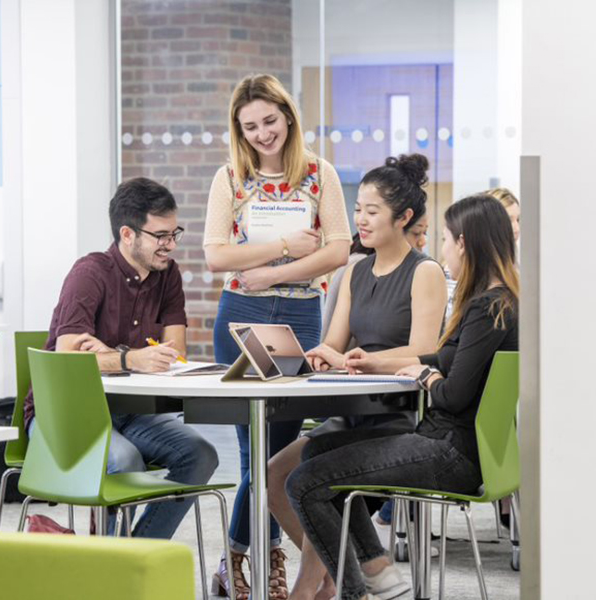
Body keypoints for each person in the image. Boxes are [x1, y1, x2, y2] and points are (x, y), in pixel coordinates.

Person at [286, 194, 520, 600]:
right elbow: (447, 358)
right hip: (457, 446)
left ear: (464, 243)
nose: (441, 247)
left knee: (305, 483)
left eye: (445, 238)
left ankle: (359, 589)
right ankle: (376, 572)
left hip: (449, 452)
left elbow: (453, 394)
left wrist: (426, 375)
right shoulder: (500, 303)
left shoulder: (487, 308)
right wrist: (372, 362)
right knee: (316, 453)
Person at [268, 154, 446, 600]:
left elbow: (427, 351)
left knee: (311, 475)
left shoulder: (425, 272)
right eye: (358, 209)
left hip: (397, 418)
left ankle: (313, 587)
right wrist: (328, 356)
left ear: (403, 217)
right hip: (351, 413)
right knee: (275, 474)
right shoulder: (354, 270)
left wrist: (372, 361)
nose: (360, 220)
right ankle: (335, 576)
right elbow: (338, 343)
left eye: (371, 211)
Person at [203, 73, 352, 599]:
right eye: (250, 126)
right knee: (251, 453)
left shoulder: (319, 174)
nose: (263, 133)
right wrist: (283, 248)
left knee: (278, 455)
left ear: (287, 116)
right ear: (238, 131)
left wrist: (273, 273)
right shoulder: (231, 177)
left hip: (300, 317)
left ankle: (239, 560)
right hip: (241, 314)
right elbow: (217, 255)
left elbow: (338, 249)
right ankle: (255, 561)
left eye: (270, 120)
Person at [23, 177, 219, 539]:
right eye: (161, 236)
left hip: (131, 412)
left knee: (201, 455)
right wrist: (131, 360)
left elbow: (174, 352)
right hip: (65, 416)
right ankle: (116, 567)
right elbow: (68, 354)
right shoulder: (90, 273)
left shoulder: (168, 275)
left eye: (175, 233)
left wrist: (111, 354)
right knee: (124, 459)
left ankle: (133, 553)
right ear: (128, 234)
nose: (171, 245)